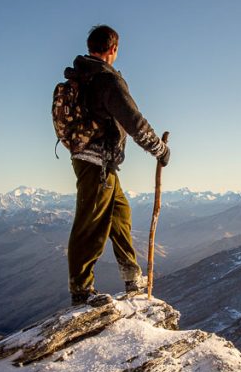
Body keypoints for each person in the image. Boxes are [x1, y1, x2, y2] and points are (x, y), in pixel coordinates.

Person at [62, 25, 170, 305]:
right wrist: (159, 149)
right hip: (97, 163)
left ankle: (131, 275)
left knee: (120, 214)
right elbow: (133, 120)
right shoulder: (106, 81)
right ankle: (81, 291)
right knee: (90, 224)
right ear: (114, 49)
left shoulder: (83, 76)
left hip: (100, 163)